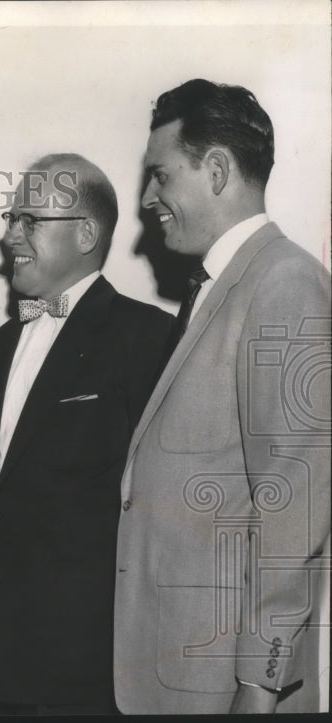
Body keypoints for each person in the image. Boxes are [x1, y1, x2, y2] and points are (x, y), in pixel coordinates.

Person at [114, 79, 331, 714]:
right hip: (178, 679)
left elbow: (294, 506)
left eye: (160, 176)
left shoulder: (285, 284)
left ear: (215, 170)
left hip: (227, 693)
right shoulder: (214, 285)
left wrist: (260, 686)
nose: (148, 199)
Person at [0, 154, 173, 715]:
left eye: (29, 220)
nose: (9, 235)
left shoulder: (147, 337)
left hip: (88, 677)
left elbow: (164, 519)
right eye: (10, 217)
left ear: (86, 233)